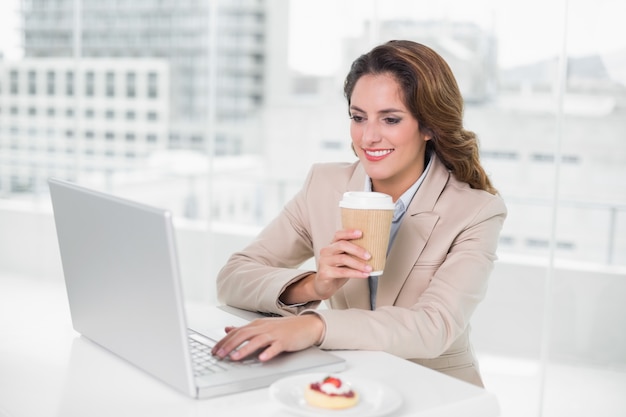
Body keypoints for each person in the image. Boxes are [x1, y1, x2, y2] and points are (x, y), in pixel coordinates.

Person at [212, 40, 507, 387]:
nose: (368, 137)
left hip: (435, 387)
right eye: (358, 117)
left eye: (391, 119)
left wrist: (313, 326)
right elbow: (233, 278)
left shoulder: (476, 210)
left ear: (429, 126)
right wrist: (314, 284)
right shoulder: (323, 186)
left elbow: (433, 326)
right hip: (349, 382)